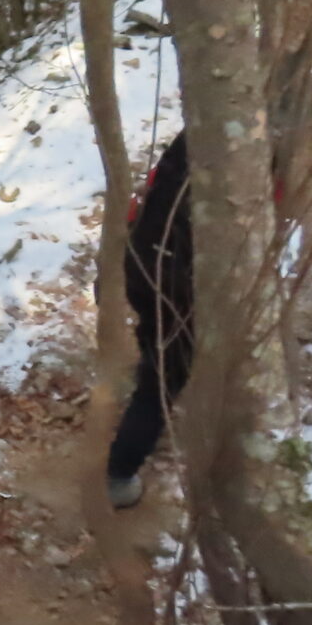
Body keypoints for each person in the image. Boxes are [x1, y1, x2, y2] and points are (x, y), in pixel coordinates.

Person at [106, 132, 192, 510]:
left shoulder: (191, 137)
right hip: (180, 284)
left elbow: (151, 186)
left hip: (141, 261)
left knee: (155, 339)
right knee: (162, 384)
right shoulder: (255, 163)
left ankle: (149, 366)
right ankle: (118, 477)